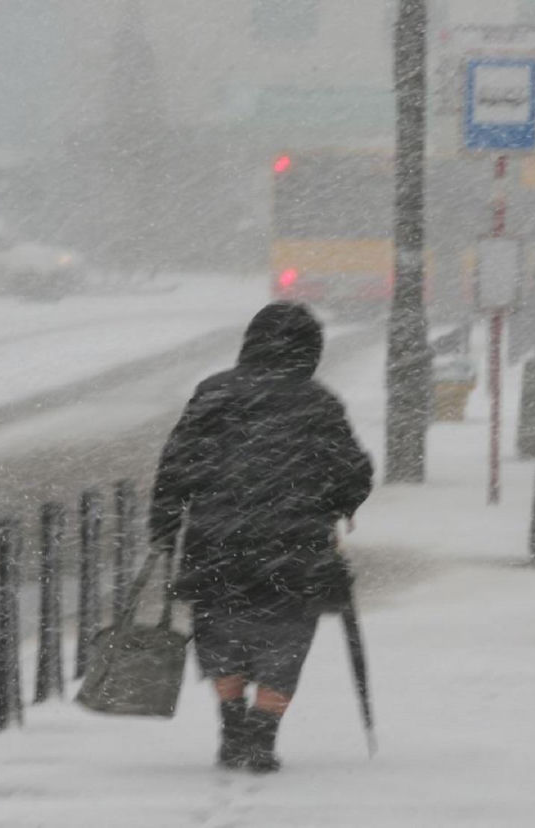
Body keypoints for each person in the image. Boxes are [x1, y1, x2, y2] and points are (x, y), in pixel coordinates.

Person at [150, 302, 373, 773]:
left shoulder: (213, 392)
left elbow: (176, 464)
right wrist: (339, 503)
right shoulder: (318, 402)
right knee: (285, 638)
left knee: (221, 632)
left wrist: (165, 524)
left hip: (217, 540)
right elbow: (353, 470)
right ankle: (262, 733)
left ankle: (233, 724)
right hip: (294, 543)